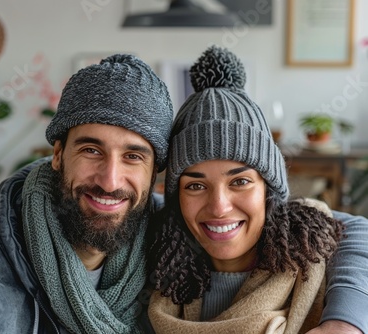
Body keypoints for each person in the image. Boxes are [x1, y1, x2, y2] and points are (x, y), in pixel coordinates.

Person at [0, 52, 367, 334]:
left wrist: (344, 319)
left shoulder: (163, 228)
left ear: (157, 174)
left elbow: (343, 227)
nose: (110, 179)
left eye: (134, 155)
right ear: (57, 153)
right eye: (91, 149)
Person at [147, 46, 368, 333]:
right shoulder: (158, 267)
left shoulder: (317, 255)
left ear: (268, 189)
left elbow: (356, 228)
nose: (219, 207)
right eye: (196, 185)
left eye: (239, 181)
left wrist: (344, 321)